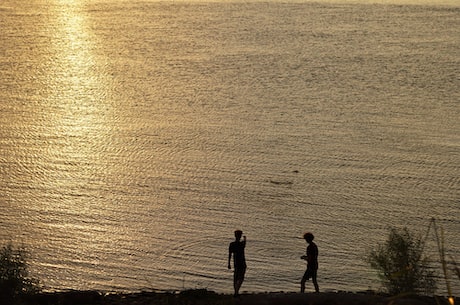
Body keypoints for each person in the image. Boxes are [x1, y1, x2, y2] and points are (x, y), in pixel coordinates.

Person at [228, 230, 247, 297]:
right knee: (241, 278)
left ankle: (236, 292)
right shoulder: (241, 244)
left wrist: (229, 263)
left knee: (235, 278)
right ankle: (236, 292)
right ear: (240, 236)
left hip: (236, 262)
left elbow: (230, 254)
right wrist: (245, 238)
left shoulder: (232, 244)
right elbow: (245, 243)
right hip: (242, 262)